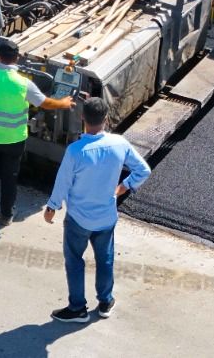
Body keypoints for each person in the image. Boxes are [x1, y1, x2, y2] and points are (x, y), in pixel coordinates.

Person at [45, 96, 150, 322]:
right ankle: (105, 302)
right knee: (105, 260)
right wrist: (124, 187)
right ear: (106, 118)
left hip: (78, 220)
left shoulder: (75, 151)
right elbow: (144, 170)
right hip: (106, 217)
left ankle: (77, 309)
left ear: (82, 118)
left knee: (74, 261)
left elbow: (62, 182)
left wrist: (52, 207)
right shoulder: (120, 144)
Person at [0, 43, 74, 226]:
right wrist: (64, 103)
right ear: (17, 59)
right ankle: (6, 215)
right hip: (14, 139)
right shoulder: (24, 83)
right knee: (10, 177)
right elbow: (45, 103)